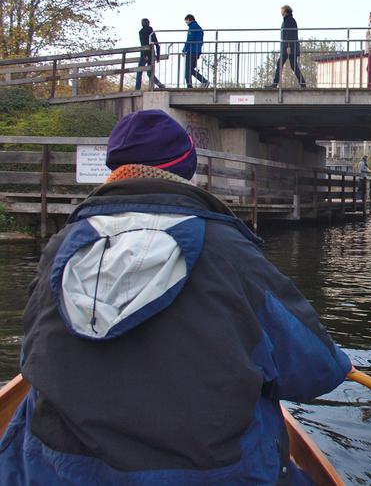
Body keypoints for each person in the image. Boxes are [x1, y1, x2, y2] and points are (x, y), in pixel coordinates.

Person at [0, 110, 351, 484]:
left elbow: (30, 357)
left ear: (115, 167)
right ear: (186, 170)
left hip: (59, 471)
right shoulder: (229, 252)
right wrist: (338, 361)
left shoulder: (61, 248)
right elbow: (314, 373)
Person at [266, 5, 306, 89]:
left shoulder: (290, 20)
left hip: (289, 47)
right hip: (288, 47)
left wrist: (288, 46)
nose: (281, 12)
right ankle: (302, 83)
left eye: (282, 10)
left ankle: (275, 83)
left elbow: (291, 34)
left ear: (286, 11)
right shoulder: (287, 20)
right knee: (292, 65)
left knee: (281, 63)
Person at [135, 18, 165, 90]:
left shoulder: (141, 32)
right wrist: (158, 56)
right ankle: (159, 84)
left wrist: (145, 55)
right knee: (150, 72)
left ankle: (137, 88)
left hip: (144, 54)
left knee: (139, 71)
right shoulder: (151, 32)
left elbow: (143, 44)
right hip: (151, 54)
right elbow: (157, 44)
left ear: (142, 24)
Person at [182, 14, 209, 88]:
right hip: (197, 51)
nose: (186, 23)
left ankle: (189, 85)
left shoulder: (192, 27)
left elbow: (189, 39)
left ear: (189, 19)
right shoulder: (199, 27)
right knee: (191, 69)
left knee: (188, 69)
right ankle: (204, 81)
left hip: (191, 51)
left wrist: (184, 49)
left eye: (186, 21)